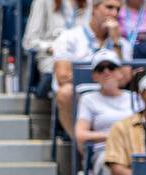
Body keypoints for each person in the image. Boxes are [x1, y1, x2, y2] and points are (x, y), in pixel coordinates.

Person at [53, 0, 132, 140]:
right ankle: (79, 146)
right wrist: (104, 75)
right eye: (109, 7)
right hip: (81, 94)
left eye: (117, 9)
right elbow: (62, 77)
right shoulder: (69, 37)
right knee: (65, 92)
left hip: (112, 94)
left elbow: (124, 80)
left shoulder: (122, 44)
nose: (114, 13)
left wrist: (115, 43)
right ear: (94, 8)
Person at [75, 50, 141, 174]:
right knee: (112, 163)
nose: (106, 72)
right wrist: (112, 135)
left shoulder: (134, 97)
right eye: (100, 69)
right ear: (94, 76)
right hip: (105, 150)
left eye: (111, 67)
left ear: (120, 72)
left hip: (136, 148)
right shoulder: (88, 99)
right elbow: (80, 134)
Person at [25, 0, 91, 88]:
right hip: (52, 57)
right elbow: (29, 41)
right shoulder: (43, 2)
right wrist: (52, 48)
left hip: (81, 57)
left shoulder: (88, 2)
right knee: (66, 78)